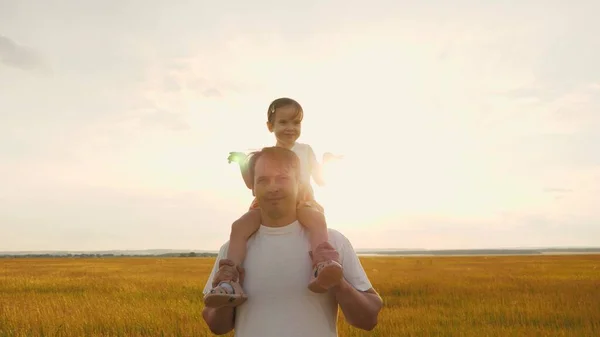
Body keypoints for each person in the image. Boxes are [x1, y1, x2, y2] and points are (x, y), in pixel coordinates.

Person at [201, 146, 383, 336]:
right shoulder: (233, 250)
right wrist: (225, 300)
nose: (273, 187)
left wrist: (338, 283)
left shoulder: (333, 243)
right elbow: (217, 326)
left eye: (282, 178)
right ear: (253, 188)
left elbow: (369, 319)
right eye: (263, 180)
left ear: (299, 184)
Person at [204, 98, 344, 308]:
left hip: (302, 203)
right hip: (267, 207)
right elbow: (252, 184)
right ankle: (228, 279)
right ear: (270, 126)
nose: (290, 128)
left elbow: (321, 180)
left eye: (296, 123)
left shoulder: (306, 151)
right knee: (239, 227)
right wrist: (244, 163)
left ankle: (322, 264)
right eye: (283, 122)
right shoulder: (266, 154)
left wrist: (326, 162)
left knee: (316, 220)